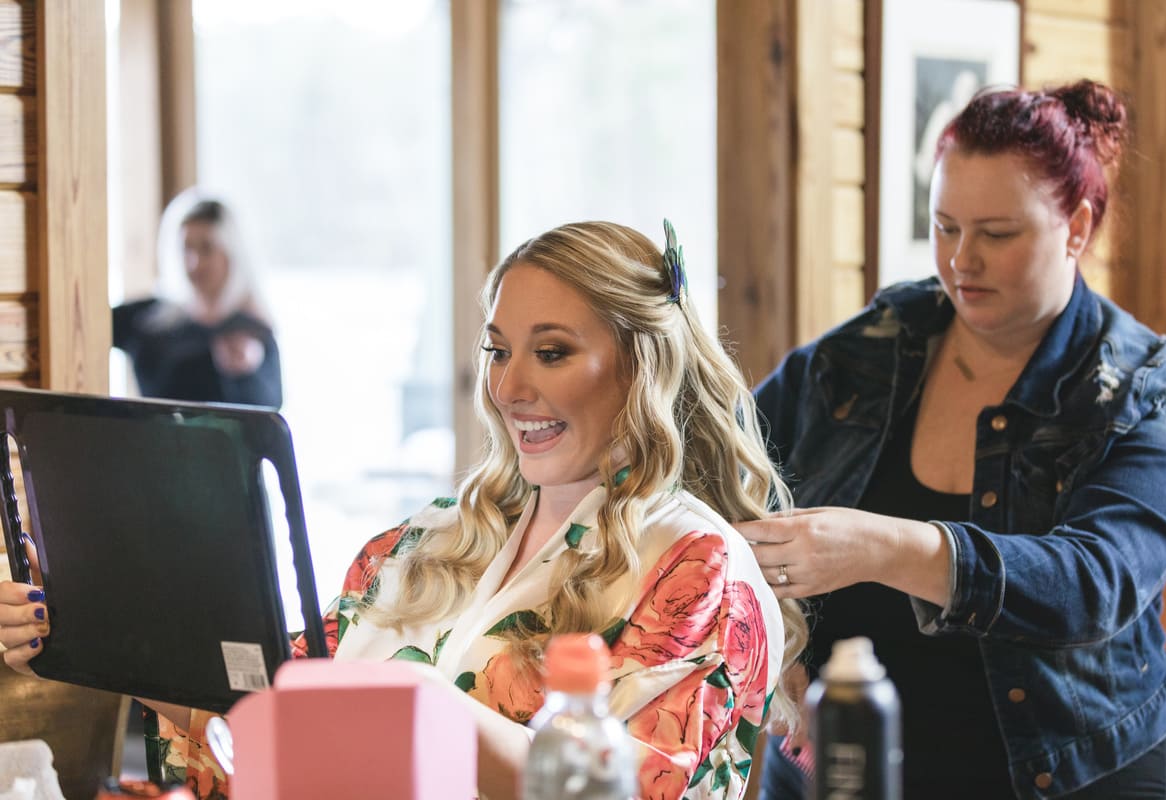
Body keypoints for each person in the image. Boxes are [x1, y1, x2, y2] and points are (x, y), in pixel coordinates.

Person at [2, 220, 804, 800]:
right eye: (498, 349)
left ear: (640, 368)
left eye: (551, 352)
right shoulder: (423, 541)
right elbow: (265, 727)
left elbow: (643, 789)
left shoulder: (699, 571)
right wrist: (92, 629)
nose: (510, 386)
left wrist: (419, 710)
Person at [740, 79, 1166, 799]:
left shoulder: (1148, 390)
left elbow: (1091, 585)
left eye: (997, 234)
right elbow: (724, 469)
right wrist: (773, 638)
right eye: (945, 226)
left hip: (1065, 779)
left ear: (1076, 226)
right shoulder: (874, 346)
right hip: (837, 769)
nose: (961, 260)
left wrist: (885, 547)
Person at [112, 187, 283, 408]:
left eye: (206, 248)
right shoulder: (149, 319)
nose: (194, 262)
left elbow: (268, 414)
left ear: (230, 252)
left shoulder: (251, 332)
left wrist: (244, 373)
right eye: (186, 249)